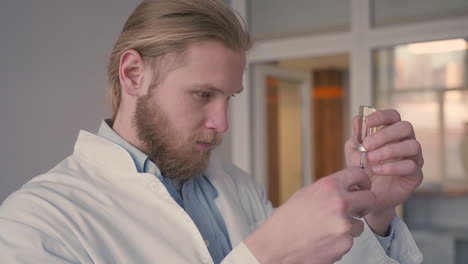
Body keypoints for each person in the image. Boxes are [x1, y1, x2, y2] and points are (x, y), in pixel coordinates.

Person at [0, 0, 424, 263]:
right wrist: (266, 257)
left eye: (229, 98)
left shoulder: (237, 188)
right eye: (202, 94)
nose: (221, 124)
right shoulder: (36, 223)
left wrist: (378, 210)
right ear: (133, 75)